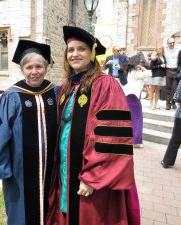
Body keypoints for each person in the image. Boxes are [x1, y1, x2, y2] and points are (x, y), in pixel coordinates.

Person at [47, 26, 140, 225]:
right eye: (70, 50)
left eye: (81, 49)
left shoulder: (105, 84)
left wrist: (92, 176)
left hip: (91, 174)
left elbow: (112, 135)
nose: (75, 54)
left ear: (92, 54)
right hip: (65, 166)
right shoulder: (66, 87)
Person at [0, 40, 58, 225]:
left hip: (52, 171)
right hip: (20, 170)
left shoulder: (55, 93)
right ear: (22, 70)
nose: (34, 71)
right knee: (21, 212)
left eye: (39, 66)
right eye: (29, 67)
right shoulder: (12, 96)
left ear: (46, 68)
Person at [123, 54, 151, 149]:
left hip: (130, 96)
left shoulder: (130, 71)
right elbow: (149, 74)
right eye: (140, 62)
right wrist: (143, 68)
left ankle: (130, 139)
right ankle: (136, 141)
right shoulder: (135, 72)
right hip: (133, 97)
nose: (141, 63)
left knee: (132, 119)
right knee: (137, 119)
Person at [164, 37, 180, 110]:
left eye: (173, 42)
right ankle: (168, 104)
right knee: (168, 88)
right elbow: (157, 53)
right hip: (168, 70)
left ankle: (173, 102)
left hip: (176, 70)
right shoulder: (165, 51)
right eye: (170, 43)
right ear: (167, 44)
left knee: (175, 88)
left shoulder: (178, 50)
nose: (172, 44)